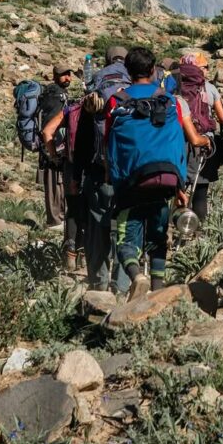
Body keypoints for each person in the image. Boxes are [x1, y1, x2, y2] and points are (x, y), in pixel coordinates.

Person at [104, 47, 188, 301]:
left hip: (131, 183)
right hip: (166, 179)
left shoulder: (116, 100)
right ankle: (159, 289)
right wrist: (180, 186)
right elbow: (177, 141)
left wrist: (113, 179)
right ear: (153, 70)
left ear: (128, 72)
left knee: (125, 237)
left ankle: (136, 276)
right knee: (159, 236)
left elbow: (109, 142)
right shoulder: (171, 100)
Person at [75, 45, 130, 292]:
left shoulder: (96, 88)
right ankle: (121, 285)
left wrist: (77, 175)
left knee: (97, 227)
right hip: (129, 174)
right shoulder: (134, 86)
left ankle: (98, 283)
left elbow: (82, 140)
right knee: (124, 229)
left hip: (99, 172)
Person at [175, 52, 223, 222]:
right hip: (203, 143)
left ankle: (176, 225)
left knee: (179, 188)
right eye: (205, 67)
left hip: (180, 141)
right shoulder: (209, 88)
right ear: (198, 68)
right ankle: (199, 232)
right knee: (200, 191)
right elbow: (222, 117)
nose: (207, 70)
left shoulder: (176, 85)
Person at [38, 63, 72, 233]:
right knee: (53, 180)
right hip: (52, 143)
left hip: (55, 143)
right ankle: (54, 220)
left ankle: (58, 217)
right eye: (64, 75)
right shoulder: (55, 94)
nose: (68, 78)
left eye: (69, 74)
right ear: (55, 76)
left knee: (58, 180)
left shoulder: (59, 93)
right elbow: (50, 124)